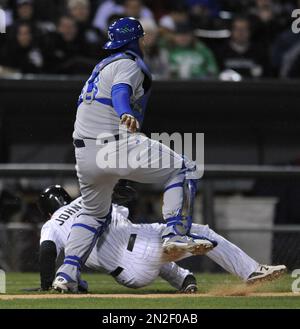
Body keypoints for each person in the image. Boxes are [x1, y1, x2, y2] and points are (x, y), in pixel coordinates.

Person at [52, 17, 215, 292]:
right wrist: (124, 111)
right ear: (137, 39)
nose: (143, 41)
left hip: (84, 154)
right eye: (141, 37)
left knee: (93, 213)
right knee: (184, 168)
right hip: (114, 144)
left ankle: (66, 274)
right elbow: (120, 92)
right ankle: (174, 234)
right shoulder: (127, 63)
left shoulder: (100, 66)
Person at [38, 186, 287, 292]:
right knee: (202, 233)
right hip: (140, 247)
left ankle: (182, 276)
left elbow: (48, 251)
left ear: (48, 210)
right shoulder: (88, 199)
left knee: (76, 260)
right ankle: (251, 271)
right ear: (66, 197)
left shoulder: (52, 224)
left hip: (130, 277)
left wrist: (48, 285)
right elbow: (123, 203)